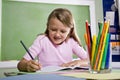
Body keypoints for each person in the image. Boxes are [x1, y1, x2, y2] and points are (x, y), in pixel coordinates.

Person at [17, 8, 89, 72]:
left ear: (70, 31)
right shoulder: (41, 40)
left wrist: (79, 62)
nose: (57, 35)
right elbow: (20, 64)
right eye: (53, 30)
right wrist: (27, 65)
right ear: (48, 27)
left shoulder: (71, 42)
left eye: (63, 31)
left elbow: (91, 61)